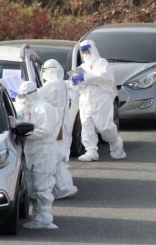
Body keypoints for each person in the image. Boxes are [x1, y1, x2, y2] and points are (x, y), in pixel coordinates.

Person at [70, 39, 126, 161]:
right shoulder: (81, 67)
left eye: (87, 50)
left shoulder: (102, 63)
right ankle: (90, 150)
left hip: (101, 100)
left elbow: (105, 77)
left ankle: (116, 143)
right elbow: (73, 85)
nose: (85, 53)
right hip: (85, 100)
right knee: (86, 126)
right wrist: (78, 80)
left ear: (93, 49)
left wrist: (86, 78)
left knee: (104, 128)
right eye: (83, 51)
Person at [16, 81, 59, 229]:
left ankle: (45, 218)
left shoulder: (44, 108)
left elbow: (45, 131)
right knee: (32, 185)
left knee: (43, 184)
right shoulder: (27, 108)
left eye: (24, 95)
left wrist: (25, 134)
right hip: (30, 151)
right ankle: (37, 215)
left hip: (44, 150)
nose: (22, 98)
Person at [39, 59, 78, 199]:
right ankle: (64, 186)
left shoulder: (53, 85)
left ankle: (63, 187)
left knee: (55, 158)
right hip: (62, 126)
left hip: (55, 127)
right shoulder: (61, 84)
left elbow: (36, 96)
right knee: (59, 158)